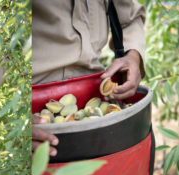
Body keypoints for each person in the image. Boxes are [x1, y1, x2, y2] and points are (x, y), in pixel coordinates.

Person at [32, 0, 146, 156]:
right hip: (37, 121)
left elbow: (130, 17)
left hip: (97, 104)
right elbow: (5, 51)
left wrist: (133, 55)